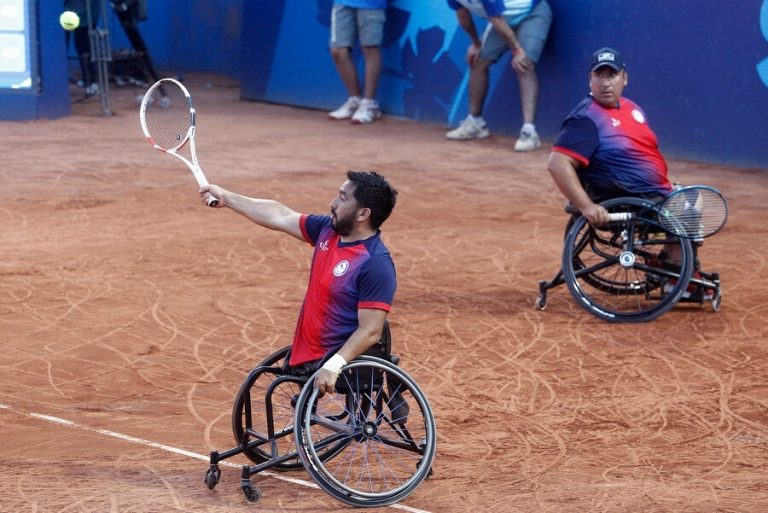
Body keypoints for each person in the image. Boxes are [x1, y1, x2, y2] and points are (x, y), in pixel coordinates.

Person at [200, 171, 398, 394]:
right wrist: (227, 198)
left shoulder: (374, 263)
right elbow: (279, 215)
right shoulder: (328, 232)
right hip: (307, 353)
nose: (332, 203)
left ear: (363, 213)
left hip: (337, 358)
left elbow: (371, 330)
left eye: (342, 198)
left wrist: (334, 365)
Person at [547, 47, 711, 299]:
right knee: (687, 208)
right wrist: (587, 206)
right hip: (625, 198)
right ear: (589, 80)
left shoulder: (632, 109)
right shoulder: (586, 118)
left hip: (648, 194)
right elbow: (557, 164)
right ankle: (677, 278)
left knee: (692, 199)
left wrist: (663, 185)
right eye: (599, 75)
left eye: (611, 75)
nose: (605, 83)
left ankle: (669, 266)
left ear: (624, 78)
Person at [445, 0, 552, 152]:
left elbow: (496, 18)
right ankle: (476, 124)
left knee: (524, 64)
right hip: (502, 20)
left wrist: (518, 51)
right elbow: (462, 14)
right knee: (477, 61)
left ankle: (529, 132)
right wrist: (476, 44)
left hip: (532, 13)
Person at [327, 1, 386, 124]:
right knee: (337, 50)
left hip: (372, 4)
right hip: (342, 3)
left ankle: (369, 104)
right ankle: (355, 99)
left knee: (370, 48)